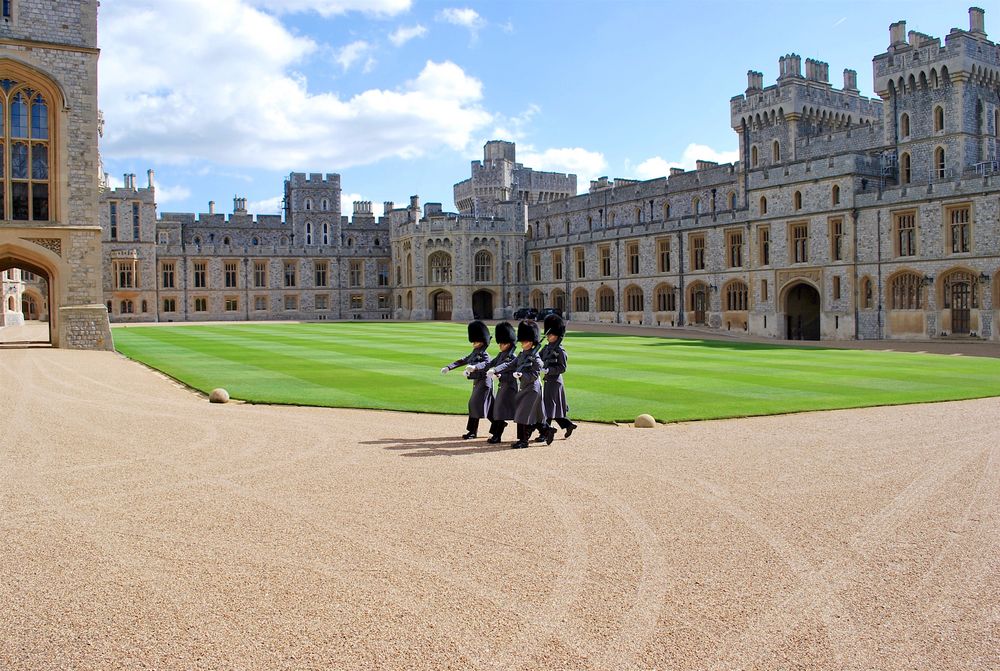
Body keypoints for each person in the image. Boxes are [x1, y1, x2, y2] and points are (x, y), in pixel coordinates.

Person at [491, 320, 543, 449]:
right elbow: (509, 365)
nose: (522, 343)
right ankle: (543, 432)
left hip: (532, 389)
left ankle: (524, 441)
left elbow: (534, 375)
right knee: (521, 414)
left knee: (522, 415)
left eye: (524, 341)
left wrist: (521, 376)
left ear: (531, 342)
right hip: (524, 388)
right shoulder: (522, 355)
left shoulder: (536, 358)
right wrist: (496, 369)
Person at [440, 320, 493, 439]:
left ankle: (472, 432)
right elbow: (463, 360)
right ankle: (498, 425)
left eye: (476, 340)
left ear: (482, 341)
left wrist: (474, 367)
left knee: (473, 404)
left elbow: (486, 363)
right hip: (478, 383)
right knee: (488, 408)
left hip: (484, 383)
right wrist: (449, 367)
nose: (473, 342)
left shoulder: (484, 354)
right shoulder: (475, 352)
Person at [535, 314, 578, 443]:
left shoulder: (560, 350)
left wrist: (549, 370)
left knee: (547, 408)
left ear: (557, 335)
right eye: (548, 335)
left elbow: (562, 368)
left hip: (555, 382)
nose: (549, 337)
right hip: (548, 380)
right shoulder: (547, 347)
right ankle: (568, 425)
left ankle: (544, 433)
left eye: (551, 335)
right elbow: (539, 357)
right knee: (550, 407)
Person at [478, 322, 518, 444]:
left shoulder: (512, 357)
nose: (500, 345)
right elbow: (490, 363)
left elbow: (511, 374)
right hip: (503, 387)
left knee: (501, 410)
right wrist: (476, 367)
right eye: (500, 343)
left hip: (510, 387)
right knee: (500, 410)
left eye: (503, 343)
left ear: (509, 343)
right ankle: (496, 434)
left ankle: (497, 435)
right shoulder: (501, 354)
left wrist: (499, 374)